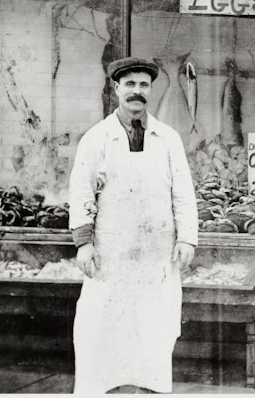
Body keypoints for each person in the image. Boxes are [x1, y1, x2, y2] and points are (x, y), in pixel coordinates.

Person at [68, 56, 198, 395]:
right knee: (102, 330)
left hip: (156, 256)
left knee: (153, 330)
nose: (136, 92)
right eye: (130, 84)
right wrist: (84, 242)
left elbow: (183, 193)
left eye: (143, 85)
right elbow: (81, 192)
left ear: (150, 90)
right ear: (116, 89)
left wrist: (187, 238)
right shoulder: (96, 139)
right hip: (111, 255)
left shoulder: (168, 139)